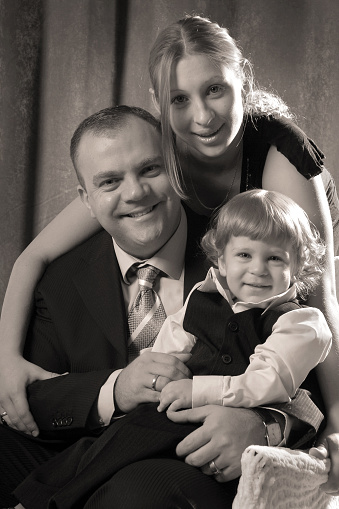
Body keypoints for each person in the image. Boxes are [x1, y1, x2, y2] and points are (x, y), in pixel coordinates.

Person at [1, 13, 339, 491]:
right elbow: (32, 257)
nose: (202, 117)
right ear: (162, 106)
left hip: (291, 271)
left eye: (216, 90)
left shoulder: (279, 164)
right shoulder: (159, 150)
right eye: (181, 99)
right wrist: (5, 358)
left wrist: (322, 428)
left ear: (241, 79)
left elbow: (317, 302)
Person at [154, 189, 331, 413]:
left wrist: (196, 391)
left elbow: (268, 382)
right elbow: (169, 349)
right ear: (223, 261)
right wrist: (162, 381)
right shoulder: (204, 296)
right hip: (174, 411)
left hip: (243, 427)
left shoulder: (301, 323)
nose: (258, 269)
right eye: (244, 255)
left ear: (297, 267)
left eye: (274, 258)